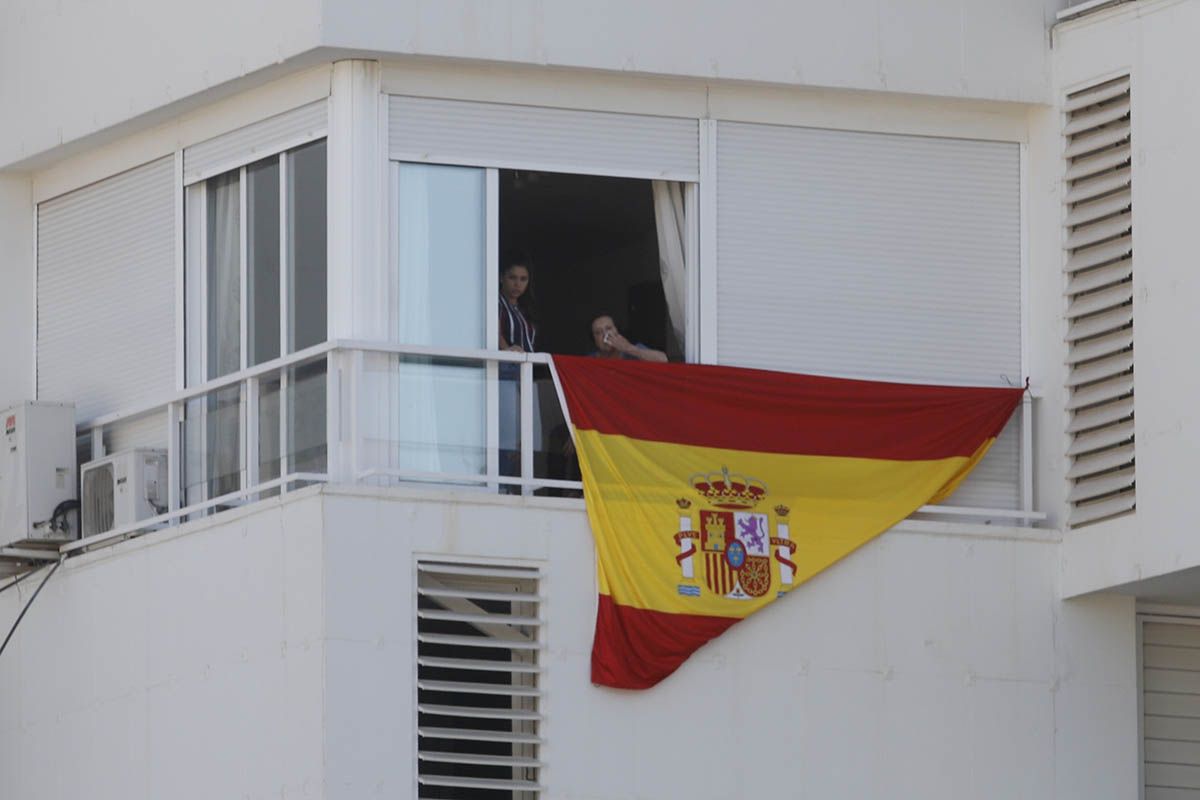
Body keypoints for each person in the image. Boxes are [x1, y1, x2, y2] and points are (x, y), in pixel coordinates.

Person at [498, 260, 539, 491]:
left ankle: (517, 487)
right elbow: (494, 332)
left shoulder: (521, 309)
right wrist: (506, 350)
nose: (517, 284)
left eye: (523, 279)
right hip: (505, 374)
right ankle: (503, 486)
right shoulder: (496, 303)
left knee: (524, 437)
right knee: (508, 435)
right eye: (513, 277)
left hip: (524, 375)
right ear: (502, 277)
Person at [589, 314, 668, 362]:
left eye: (609, 328)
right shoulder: (590, 360)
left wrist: (628, 348)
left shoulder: (633, 350)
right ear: (594, 340)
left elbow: (663, 360)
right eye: (598, 332)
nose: (605, 335)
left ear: (617, 331)